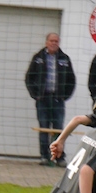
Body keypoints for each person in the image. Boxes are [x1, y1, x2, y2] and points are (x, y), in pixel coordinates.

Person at [24, 33, 76, 167]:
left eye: (56, 41)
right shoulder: (38, 58)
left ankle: (59, 157)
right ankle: (44, 156)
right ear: (46, 42)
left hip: (58, 99)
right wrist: (36, 95)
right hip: (43, 99)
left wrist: (65, 96)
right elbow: (29, 78)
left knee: (58, 128)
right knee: (44, 127)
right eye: (51, 41)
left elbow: (71, 79)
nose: (54, 43)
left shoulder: (64, 58)